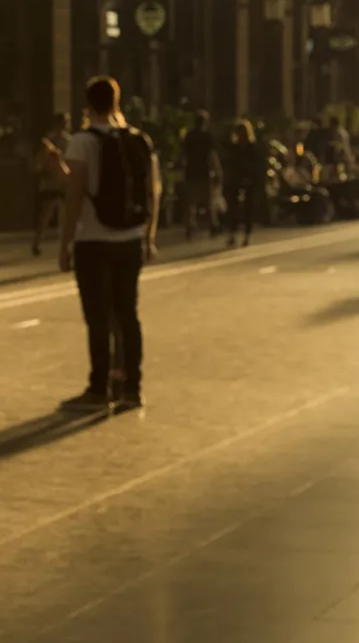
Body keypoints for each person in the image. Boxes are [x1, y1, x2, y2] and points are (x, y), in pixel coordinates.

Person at [58, 73, 159, 412]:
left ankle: (99, 388)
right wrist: (149, 236)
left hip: (93, 239)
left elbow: (74, 196)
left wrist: (65, 243)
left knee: (98, 316)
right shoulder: (139, 140)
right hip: (130, 239)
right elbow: (153, 191)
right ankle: (132, 388)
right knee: (128, 314)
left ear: (88, 104)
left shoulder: (82, 142)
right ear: (117, 102)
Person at [32, 110, 68, 256]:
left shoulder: (50, 140)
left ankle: (37, 242)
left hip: (53, 182)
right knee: (58, 214)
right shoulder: (67, 141)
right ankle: (66, 243)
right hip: (60, 182)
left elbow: (40, 161)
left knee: (46, 214)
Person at [180, 107, 219, 241]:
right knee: (208, 202)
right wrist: (217, 171)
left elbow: (184, 155)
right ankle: (212, 225)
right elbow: (212, 155)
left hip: (191, 171)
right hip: (205, 171)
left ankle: (190, 228)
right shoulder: (207, 136)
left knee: (191, 203)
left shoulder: (189, 136)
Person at [220, 117, 261, 247]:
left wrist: (251, 177)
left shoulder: (251, 147)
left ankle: (246, 235)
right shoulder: (235, 147)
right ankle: (233, 234)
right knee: (233, 208)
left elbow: (256, 165)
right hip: (236, 179)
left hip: (248, 179)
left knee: (248, 207)